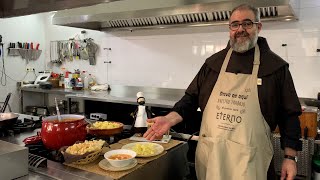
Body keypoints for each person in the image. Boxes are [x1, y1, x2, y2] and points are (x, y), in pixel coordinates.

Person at [144, 4, 302, 180]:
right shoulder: (213, 64)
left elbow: (289, 116)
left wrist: (290, 157)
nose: (240, 29)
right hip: (212, 159)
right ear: (229, 29)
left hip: (250, 163)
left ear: (258, 27)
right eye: (235, 24)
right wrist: (168, 119)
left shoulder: (275, 68)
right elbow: (190, 99)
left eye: (247, 23)